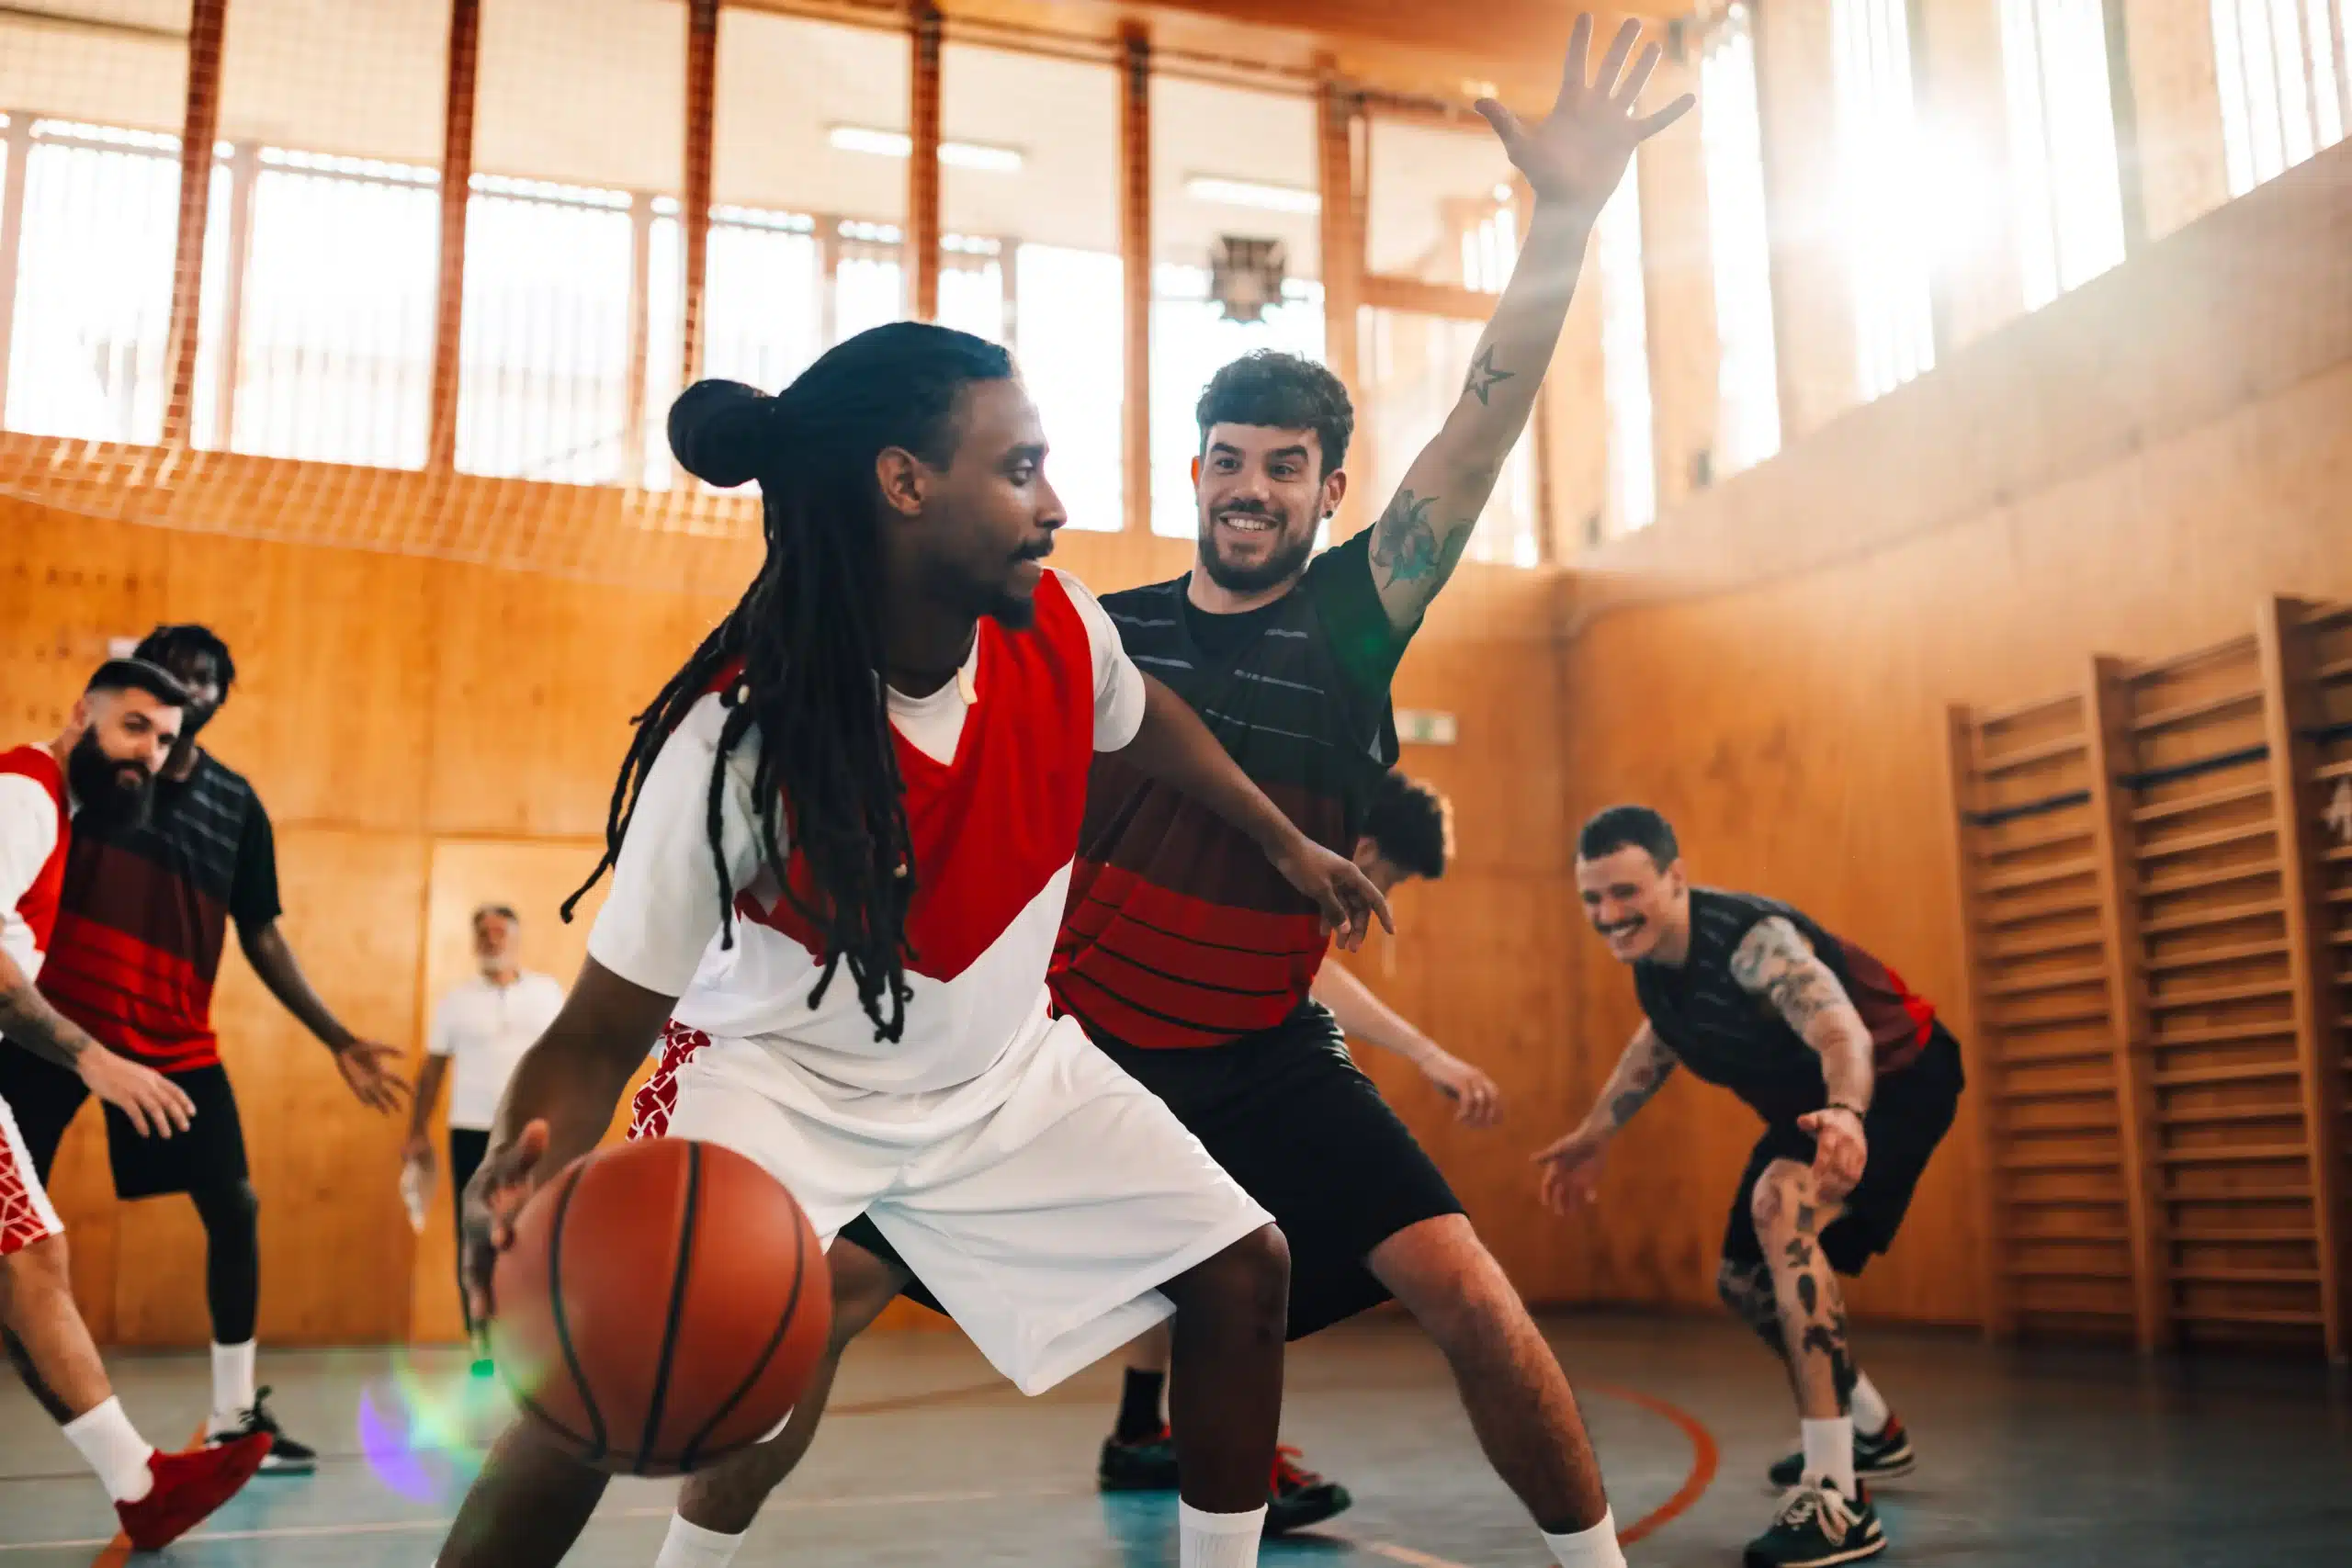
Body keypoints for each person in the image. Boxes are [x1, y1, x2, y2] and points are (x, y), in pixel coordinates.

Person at [646, 18, 1692, 1568]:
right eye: (1224, 459)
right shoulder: (1078, 626)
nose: (1248, 486)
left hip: (1269, 1056)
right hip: (1055, 1058)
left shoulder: (1358, 618)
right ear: (1194, 473)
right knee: (815, 1318)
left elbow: (1483, 418)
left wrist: (1564, 222)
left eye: (1283, 465)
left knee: (1472, 1292)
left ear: (1332, 489)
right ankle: (687, 1561)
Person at [434, 321, 1395, 1568]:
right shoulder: (740, 742)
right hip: (782, 1085)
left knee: (1241, 1267)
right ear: (905, 482)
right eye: (1020, 470)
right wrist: (520, 1162)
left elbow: (1144, 715)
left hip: (1001, 1075)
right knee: (605, 1358)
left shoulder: (1054, 625)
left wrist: (1279, 842)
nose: (1055, 504)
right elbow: (599, 1029)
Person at [0, 624, 411, 1476]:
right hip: (55, 1023)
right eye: (164, 685)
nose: (179, 702)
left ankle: (233, 1414)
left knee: (235, 1208)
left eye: (201, 688)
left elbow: (261, 932)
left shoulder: (224, 802)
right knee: (20, 1238)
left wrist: (336, 1036)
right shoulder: (78, 785)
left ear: (211, 706)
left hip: (172, 1037)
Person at [1537, 806, 1966, 1568]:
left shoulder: (1752, 943)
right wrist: (1596, 1131)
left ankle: (1837, 1496)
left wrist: (1846, 1114)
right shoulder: (1656, 966)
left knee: (1780, 1208)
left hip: (1895, 1083)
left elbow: (1842, 1031)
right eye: (1591, 900)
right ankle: (1871, 1429)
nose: (1607, 915)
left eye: (1625, 893)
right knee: (1743, 1281)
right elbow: (1660, 1039)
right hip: (1817, 1103)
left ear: (1676, 878)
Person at [1088, 770, 1499, 1529]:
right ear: (1365, 845)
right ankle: (1229, 1461)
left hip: (1135, 1050)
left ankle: (1143, 1430)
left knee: (1179, 1246)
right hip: (1136, 1045)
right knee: (1230, 1254)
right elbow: (1313, 980)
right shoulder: (1275, 851)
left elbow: (1305, 976)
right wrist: (1430, 1055)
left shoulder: (1268, 840)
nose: (1387, 894)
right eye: (1393, 878)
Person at [0, 658, 274, 1550]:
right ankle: (141, 1484)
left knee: (28, 1263)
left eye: (163, 741)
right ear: (82, 712)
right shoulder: (25, 795)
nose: (149, 753)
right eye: (133, 728)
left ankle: (140, 1483)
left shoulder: (56, 811)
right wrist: (96, 1060)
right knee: (32, 1261)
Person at [401, 903, 565, 1374]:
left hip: (531, 1134)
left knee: (535, 1231)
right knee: (476, 1235)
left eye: (501, 931)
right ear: (475, 943)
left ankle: (533, 1341)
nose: (493, 939)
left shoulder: (547, 994)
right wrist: (415, 1131)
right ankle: (482, 1344)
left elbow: (564, 1059)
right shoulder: (455, 1002)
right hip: (472, 1131)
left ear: (516, 937)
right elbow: (432, 1071)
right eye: (484, 933)